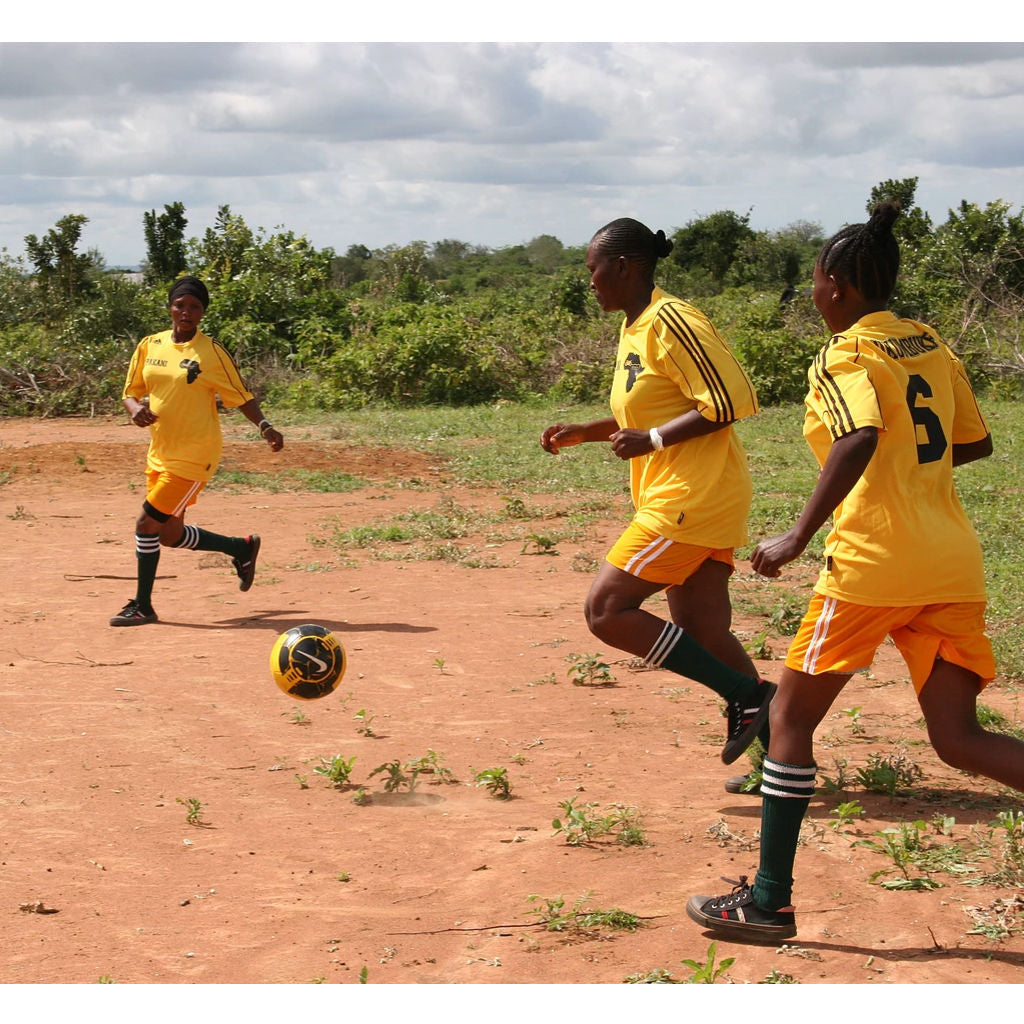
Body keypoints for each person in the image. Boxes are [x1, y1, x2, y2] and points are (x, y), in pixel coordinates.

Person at [687, 201, 1024, 941]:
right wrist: (909, 464)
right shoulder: (930, 341)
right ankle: (767, 897)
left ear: (836, 285)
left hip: (873, 566)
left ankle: (768, 901)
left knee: (787, 719)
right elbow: (973, 443)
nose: (812, 295)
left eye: (813, 281)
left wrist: (798, 535)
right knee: (959, 738)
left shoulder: (844, 354)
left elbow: (862, 433)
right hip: (952, 563)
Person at [540, 217, 774, 766]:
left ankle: (748, 694)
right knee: (706, 632)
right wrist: (588, 432)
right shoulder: (636, 326)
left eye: (593, 270)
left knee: (607, 609)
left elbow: (733, 400)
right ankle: (779, 759)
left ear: (622, 267)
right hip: (686, 495)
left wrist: (654, 439)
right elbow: (651, 409)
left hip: (692, 498)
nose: (589, 281)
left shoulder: (673, 319)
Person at [110, 276, 284, 627]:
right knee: (169, 534)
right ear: (170, 308)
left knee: (146, 524)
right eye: (180, 305)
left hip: (195, 454)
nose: (186, 312)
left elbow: (241, 395)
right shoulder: (150, 345)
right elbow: (130, 391)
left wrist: (264, 426)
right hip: (159, 451)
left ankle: (143, 605)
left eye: (194, 307)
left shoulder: (211, 352)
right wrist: (134, 410)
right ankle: (241, 547)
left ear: (202, 313)